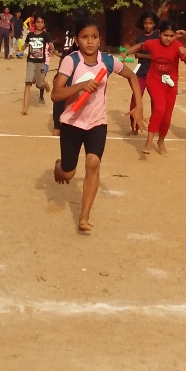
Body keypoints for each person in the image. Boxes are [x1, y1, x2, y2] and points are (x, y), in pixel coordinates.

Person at [50, 15, 145, 232]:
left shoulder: (108, 61)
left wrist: (139, 106)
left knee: (93, 163)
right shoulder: (71, 61)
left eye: (94, 37)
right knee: (68, 173)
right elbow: (56, 94)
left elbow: (132, 77)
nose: (90, 41)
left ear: (100, 39)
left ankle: (84, 217)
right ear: (77, 40)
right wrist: (80, 86)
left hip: (97, 123)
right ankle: (60, 167)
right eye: (84, 37)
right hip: (72, 123)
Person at [132, 20, 186, 156]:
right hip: (154, 80)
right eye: (165, 35)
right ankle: (149, 142)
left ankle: (161, 142)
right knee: (159, 107)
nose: (168, 39)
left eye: (171, 36)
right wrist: (126, 52)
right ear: (160, 33)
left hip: (170, 84)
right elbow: (140, 46)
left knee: (166, 117)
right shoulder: (153, 43)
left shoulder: (178, 46)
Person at [128, 11, 158, 134]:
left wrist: (140, 54)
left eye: (150, 23)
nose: (147, 26)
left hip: (154, 72)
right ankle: (134, 127)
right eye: (145, 23)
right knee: (135, 99)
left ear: (154, 24)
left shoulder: (158, 36)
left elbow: (157, 56)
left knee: (156, 101)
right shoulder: (139, 38)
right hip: (140, 72)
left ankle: (154, 126)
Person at [21, 15, 57, 115]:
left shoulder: (46, 35)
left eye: (42, 22)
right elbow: (25, 45)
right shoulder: (30, 35)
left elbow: (51, 45)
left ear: (44, 24)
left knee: (39, 84)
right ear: (34, 23)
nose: (40, 24)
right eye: (38, 22)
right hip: (31, 61)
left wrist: (53, 51)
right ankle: (25, 107)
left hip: (41, 62)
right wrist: (21, 51)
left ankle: (45, 84)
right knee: (28, 82)